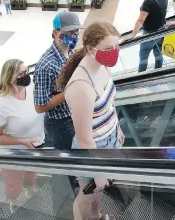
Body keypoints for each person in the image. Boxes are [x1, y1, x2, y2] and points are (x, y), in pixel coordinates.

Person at [57, 22, 125, 220]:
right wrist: (98, 170)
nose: (114, 52)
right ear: (90, 48)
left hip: (109, 139)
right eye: (108, 48)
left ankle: (97, 217)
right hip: (93, 148)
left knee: (98, 191)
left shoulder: (102, 65)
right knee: (86, 195)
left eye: (116, 47)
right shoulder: (81, 86)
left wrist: (117, 128)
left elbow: (111, 103)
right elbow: (85, 138)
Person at [33, 12, 83, 209]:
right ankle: (63, 210)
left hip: (72, 118)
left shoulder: (69, 53)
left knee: (72, 166)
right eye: (70, 32)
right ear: (56, 33)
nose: (74, 35)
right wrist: (69, 89)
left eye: (76, 31)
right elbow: (39, 106)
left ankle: (76, 202)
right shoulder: (45, 65)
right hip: (57, 126)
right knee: (60, 174)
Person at [0, 59, 45, 213]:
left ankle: (30, 188)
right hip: (13, 153)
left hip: (34, 146)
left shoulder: (31, 87)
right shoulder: (0, 103)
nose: (25, 75)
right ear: (9, 78)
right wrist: (22, 141)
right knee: (13, 181)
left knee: (31, 172)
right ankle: (13, 201)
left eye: (26, 71)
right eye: (20, 74)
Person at [128, 0, 168, 72]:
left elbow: (141, 20)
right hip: (161, 30)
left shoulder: (148, 2)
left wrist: (132, 35)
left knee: (143, 56)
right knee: (158, 53)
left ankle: (142, 75)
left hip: (149, 34)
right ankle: (158, 71)